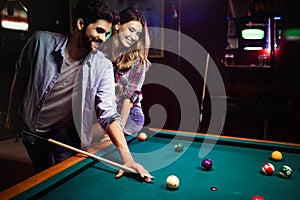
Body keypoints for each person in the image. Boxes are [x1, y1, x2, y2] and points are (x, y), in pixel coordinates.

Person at [5, 0, 152, 182]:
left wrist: (127, 159)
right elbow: (21, 76)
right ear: (81, 24)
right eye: (99, 30)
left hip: (65, 130)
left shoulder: (103, 64)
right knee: (41, 173)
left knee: (66, 178)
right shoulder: (40, 42)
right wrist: (12, 114)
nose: (102, 38)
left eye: (106, 34)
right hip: (32, 127)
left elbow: (108, 114)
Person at [100, 7, 151, 137]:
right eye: (131, 30)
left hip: (129, 116)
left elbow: (128, 99)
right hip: (106, 113)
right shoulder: (102, 52)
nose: (134, 37)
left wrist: (118, 131)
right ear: (117, 25)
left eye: (138, 34)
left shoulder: (139, 62)